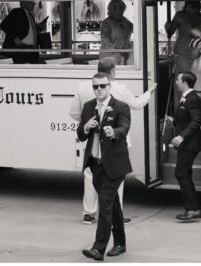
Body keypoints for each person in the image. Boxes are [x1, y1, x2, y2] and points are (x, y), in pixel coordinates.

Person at [69, 57, 154, 225]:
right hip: (114, 141)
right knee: (116, 178)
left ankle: (89, 213)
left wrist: (88, 123)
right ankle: (117, 213)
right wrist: (149, 93)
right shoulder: (119, 88)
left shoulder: (83, 87)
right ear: (113, 71)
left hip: (93, 142)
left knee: (90, 176)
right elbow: (137, 104)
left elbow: (73, 113)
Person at [77, 72, 132, 261]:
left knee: (105, 203)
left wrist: (113, 131)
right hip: (96, 164)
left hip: (116, 165)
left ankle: (98, 248)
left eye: (102, 86)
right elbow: (81, 134)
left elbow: (124, 128)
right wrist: (85, 127)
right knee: (113, 204)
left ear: (110, 86)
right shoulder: (88, 106)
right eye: (95, 86)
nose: (99, 89)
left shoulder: (121, 107)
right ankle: (120, 243)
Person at [172, 71, 201, 221]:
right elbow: (185, 119)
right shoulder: (186, 98)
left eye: (178, 80)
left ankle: (193, 209)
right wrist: (172, 120)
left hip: (190, 144)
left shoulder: (193, 99)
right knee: (184, 173)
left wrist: (181, 136)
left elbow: (196, 121)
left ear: (185, 82)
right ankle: (193, 207)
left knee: (181, 173)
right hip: (187, 144)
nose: (176, 82)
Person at [165, 0, 201, 73]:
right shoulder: (179, 16)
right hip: (182, 53)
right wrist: (167, 27)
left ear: (198, 7)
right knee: (188, 76)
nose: (191, 10)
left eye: (193, 7)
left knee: (198, 76)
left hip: (198, 52)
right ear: (186, 7)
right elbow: (170, 33)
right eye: (189, 7)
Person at [99, 0, 134, 65]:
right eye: (120, 9)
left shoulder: (124, 20)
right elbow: (106, 42)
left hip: (124, 57)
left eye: (123, 9)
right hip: (109, 58)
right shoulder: (107, 24)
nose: (122, 12)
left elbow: (136, 29)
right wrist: (120, 50)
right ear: (113, 10)